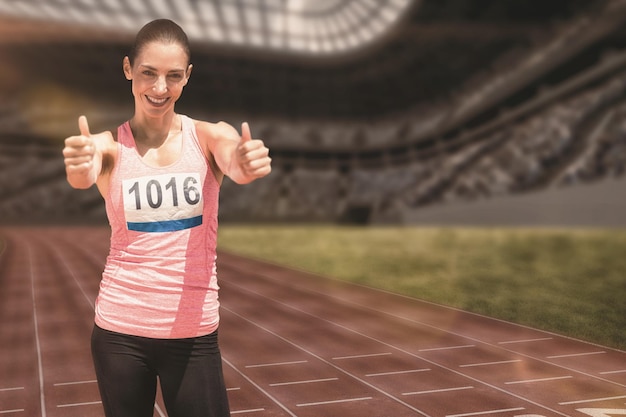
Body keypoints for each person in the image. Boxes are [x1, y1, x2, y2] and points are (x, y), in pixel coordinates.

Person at [62, 19, 271, 417]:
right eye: (148, 73)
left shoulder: (208, 137)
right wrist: (80, 163)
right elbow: (83, 173)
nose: (160, 88)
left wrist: (244, 163)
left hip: (192, 333)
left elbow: (235, 159)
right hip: (119, 331)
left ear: (187, 77)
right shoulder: (107, 147)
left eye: (173, 76)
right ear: (128, 69)